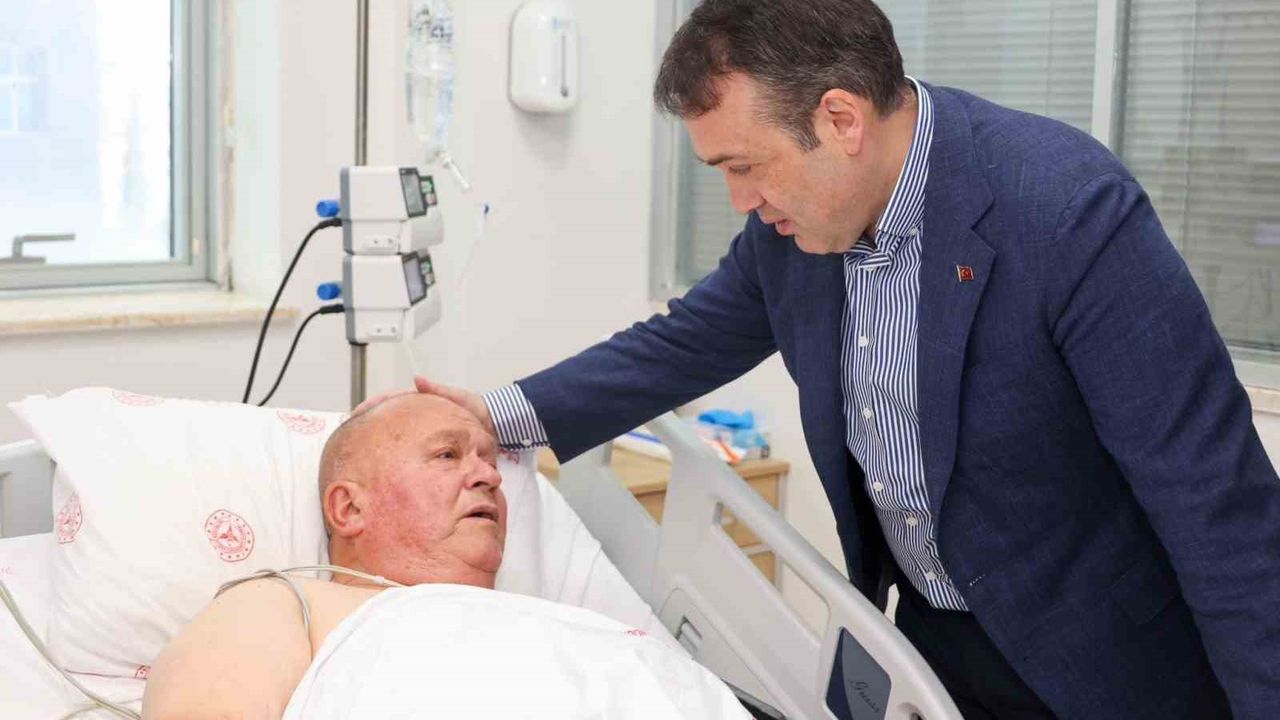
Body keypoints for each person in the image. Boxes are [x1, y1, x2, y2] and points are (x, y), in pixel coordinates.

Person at [408, 1, 1280, 718]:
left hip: (1105, 659)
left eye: (745, 166)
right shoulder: (795, 232)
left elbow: (1218, 506)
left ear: (841, 118)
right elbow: (680, 344)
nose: (740, 200)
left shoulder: (1065, 211)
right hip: (934, 642)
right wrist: (495, 415)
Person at [141, 394, 746, 720]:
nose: (488, 476)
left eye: (489, 459)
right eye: (447, 456)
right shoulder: (292, 603)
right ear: (348, 508)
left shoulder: (562, 623)